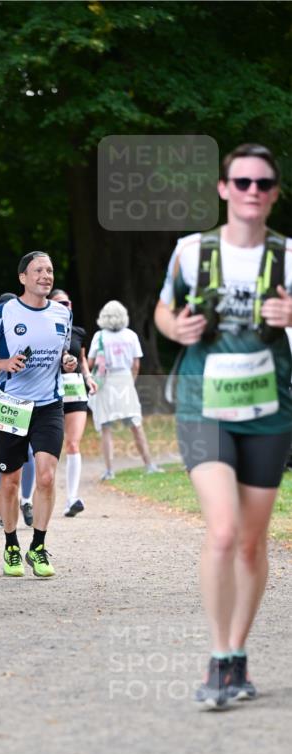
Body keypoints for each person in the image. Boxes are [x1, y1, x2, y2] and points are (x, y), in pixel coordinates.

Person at [154, 142, 292, 710]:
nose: (252, 192)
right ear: (223, 189)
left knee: (253, 542)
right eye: (242, 182)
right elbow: (164, 309)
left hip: (269, 408)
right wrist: (175, 329)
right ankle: (216, 657)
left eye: (263, 184)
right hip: (201, 403)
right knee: (224, 532)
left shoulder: (288, 255)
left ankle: (237, 653)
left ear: (275, 193)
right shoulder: (192, 250)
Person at [0, 251, 74, 578]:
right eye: (38, 270)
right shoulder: (1, 313)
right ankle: (11, 544)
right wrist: (2, 364)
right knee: (9, 482)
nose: (45, 275)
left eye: (50, 270)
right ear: (22, 277)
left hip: (49, 405)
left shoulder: (62, 314)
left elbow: (63, 355)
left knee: (47, 476)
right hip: (12, 403)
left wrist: (68, 363)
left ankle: (37, 546)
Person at [87, 300, 163, 480]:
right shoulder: (131, 336)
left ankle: (110, 470)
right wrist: (131, 381)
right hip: (125, 381)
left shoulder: (99, 336)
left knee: (106, 426)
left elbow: (90, 363)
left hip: (105, 382)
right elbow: (136, 364)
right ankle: (149, 464)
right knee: (136, 424)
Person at [0, 293, 35, 527]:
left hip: (20, 399)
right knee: (8, 454)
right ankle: (11, 502)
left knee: (21, 453)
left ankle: (25, 500)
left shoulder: (22, 334)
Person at [50, 288, 98, 516]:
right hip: (50, 390)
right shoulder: (44, 329)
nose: (64, 306)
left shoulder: (78, 331)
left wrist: (89, 378)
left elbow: (82, 360)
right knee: (47, 449)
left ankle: (72, 498)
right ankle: (30, 496)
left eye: (67, 303)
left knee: (73, 444)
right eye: (59, 303)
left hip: (76, 389)